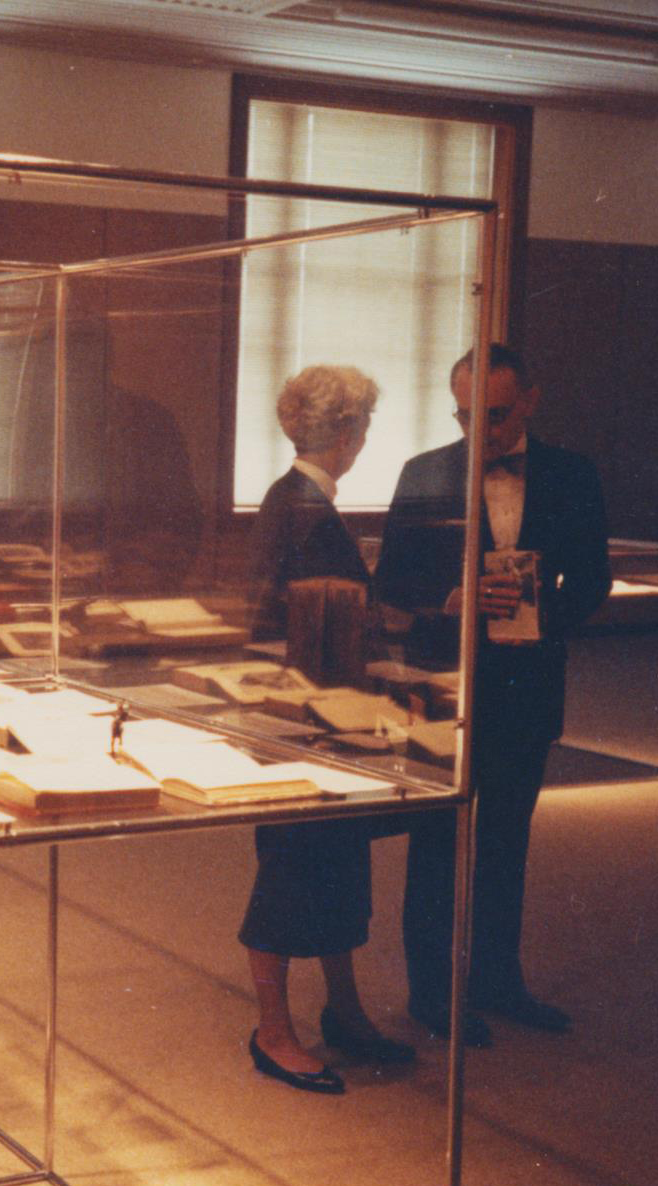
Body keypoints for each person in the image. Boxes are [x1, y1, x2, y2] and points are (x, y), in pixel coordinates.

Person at [375, 344, 610, 1046]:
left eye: (498, 415)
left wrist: (545, 618)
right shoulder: (423, 473)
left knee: (507, 841)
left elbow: (594, 577)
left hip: (527, 681)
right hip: (444, 684)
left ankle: (498, 981)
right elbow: (390, 580)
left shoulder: (572, 474)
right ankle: (430, 993)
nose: (484, 429)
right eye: (467, 414)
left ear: (531, 399)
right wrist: (455, 598)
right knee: (437, 838)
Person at [239, 364, 415, 1094]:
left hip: (319, 712)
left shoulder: (296, 498)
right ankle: (273, 1032)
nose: (363, 438)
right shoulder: (307, 509)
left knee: (338, 861)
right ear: (345, 433)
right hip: (310, 717)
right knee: (290, 871)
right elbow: (310, 619)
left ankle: (342, 1010)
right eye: (363, 426)